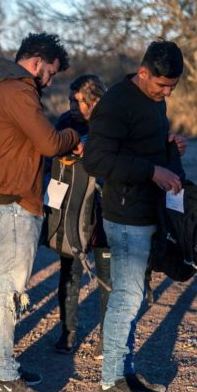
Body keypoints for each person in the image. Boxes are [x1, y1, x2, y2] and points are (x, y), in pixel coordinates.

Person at [0, 32, 79, 392]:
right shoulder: (18, 91)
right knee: (8, 291)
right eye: (49, 73)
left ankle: (0, 369)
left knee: (5, 288)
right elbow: (50, 142)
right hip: (15, 203)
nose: (49, 81)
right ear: (36, 63)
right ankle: (2, 376)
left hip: (5, 198)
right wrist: (72, 136)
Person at [84, 41, 187, 392]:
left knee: (132, 297)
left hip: (148, 212)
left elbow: (139, 143)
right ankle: (111, 383)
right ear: (143, 72)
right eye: (161, 85)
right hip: (125, 216)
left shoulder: (155, 101)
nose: (166, 93)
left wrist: (167, 143)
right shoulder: (115, 104)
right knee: (126, 299)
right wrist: (152, 169)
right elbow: (96, 160)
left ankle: (124, 373)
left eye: (172, 87)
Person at [50, 74, 111, 355]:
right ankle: (68, 332)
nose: (73, 107)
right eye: (70, 100)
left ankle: (106, 338)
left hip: (104, 209)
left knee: (108, 278)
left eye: (78, 101)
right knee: (69, 274)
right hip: (71, 210)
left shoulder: (112, 124)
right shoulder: (64, 122)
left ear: (95, 100)